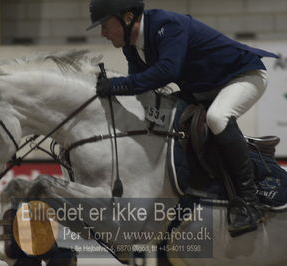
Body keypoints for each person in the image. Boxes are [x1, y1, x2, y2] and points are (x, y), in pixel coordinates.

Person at [86, 0, 279, 235]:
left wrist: (115, 85)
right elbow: (141, 89)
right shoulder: (131, 45)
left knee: (218, 118)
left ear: (127, 18)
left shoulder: (167, 25)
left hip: (243, 76)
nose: (103, 33)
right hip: (204, 89)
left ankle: (250, 203)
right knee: (170, 117)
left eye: (105, 25)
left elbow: (167, 71)